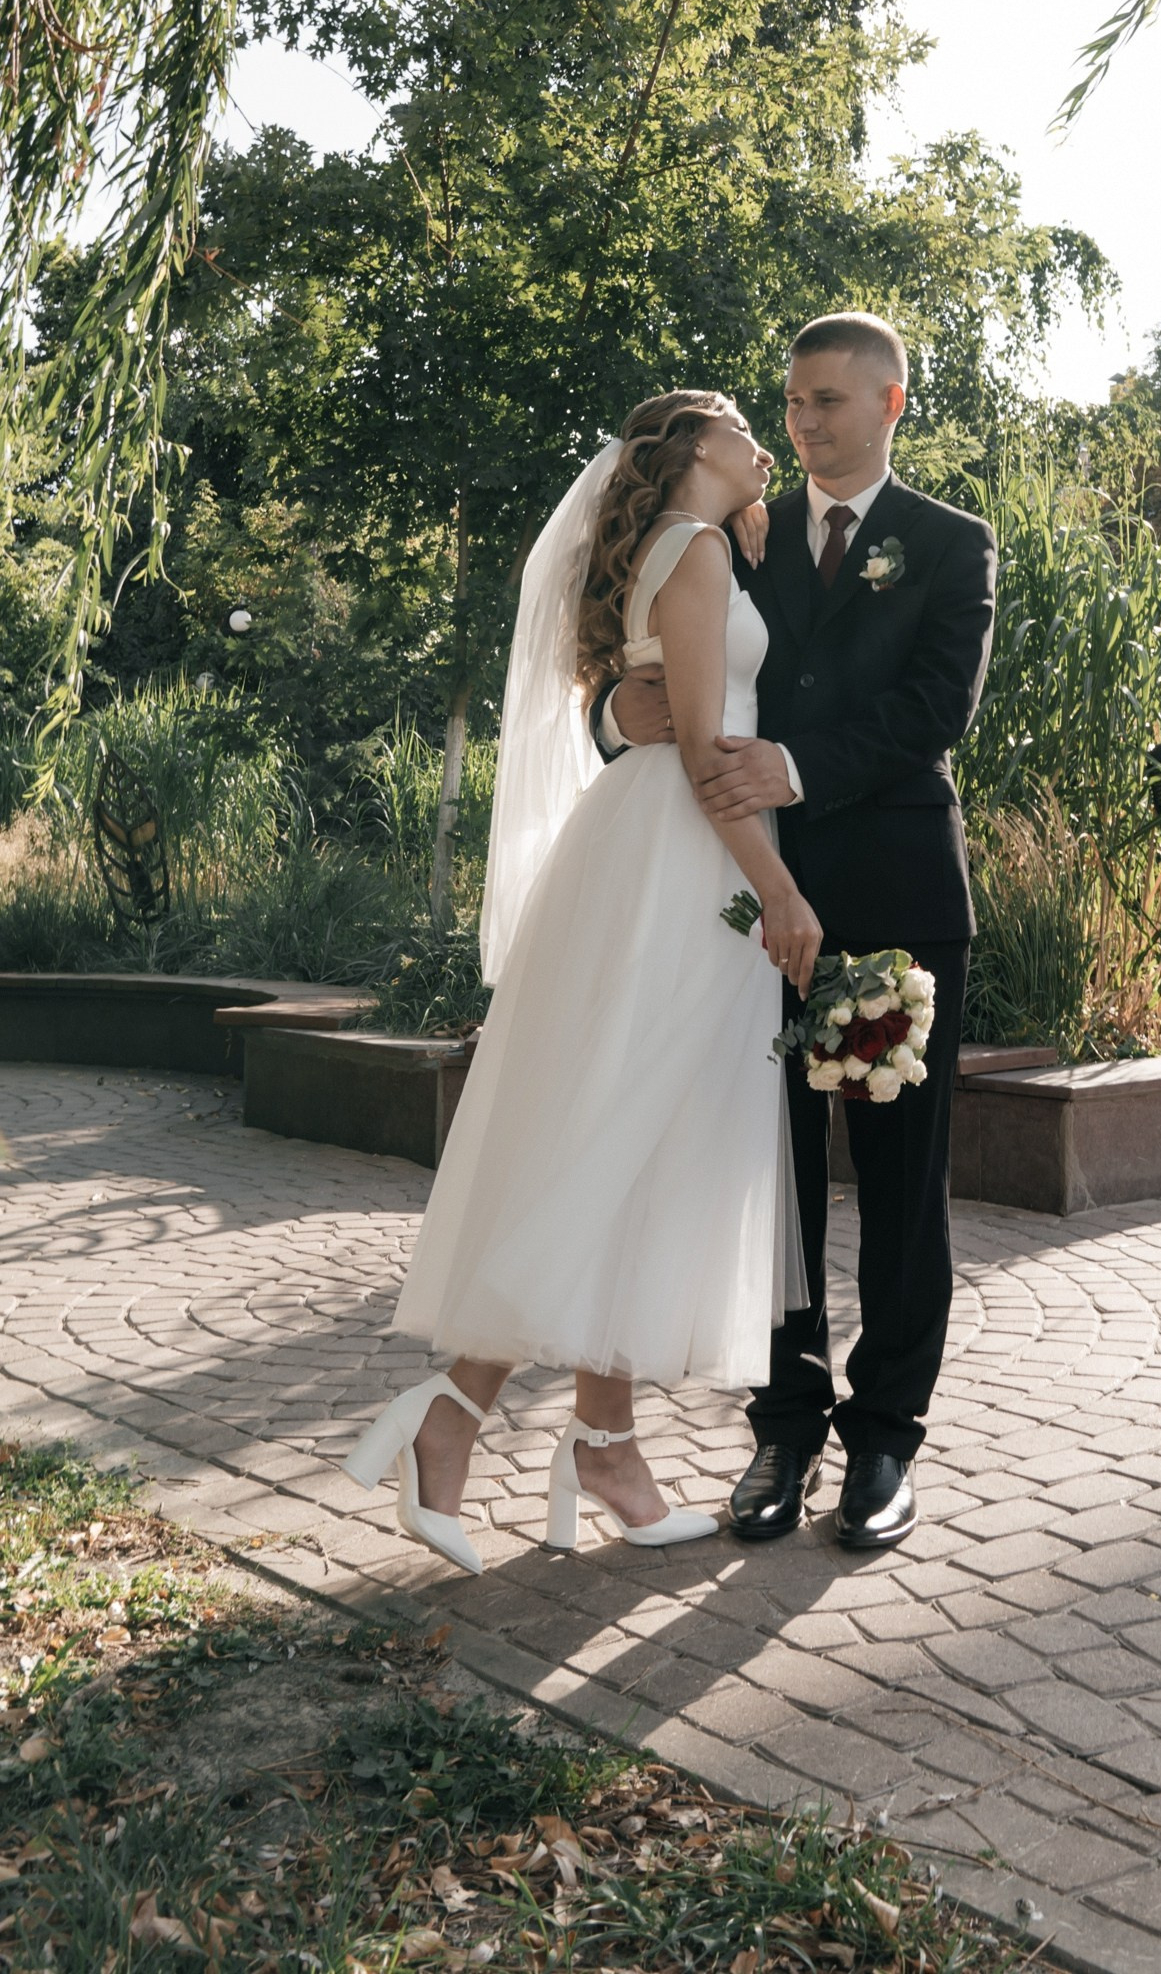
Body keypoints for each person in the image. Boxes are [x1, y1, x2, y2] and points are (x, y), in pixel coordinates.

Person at [345, 390, 822, 1569]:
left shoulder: (687, 547)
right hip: (687, 866)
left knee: (644, 1144)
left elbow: (659, 706)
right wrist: (779, 891)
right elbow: (712, 754)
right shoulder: (699, 550)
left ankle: (600, 1441)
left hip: (645, 852)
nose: (762, 437)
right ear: (693, 453)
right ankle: (455, 1415)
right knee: (626, 1143)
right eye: (739, 426)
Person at [601, 313, 996, 1550]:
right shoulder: (726, 541)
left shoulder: (950, 544)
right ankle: (782, 1431)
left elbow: (939, 711)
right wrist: (619, 708)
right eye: (789, 402)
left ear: (887, 405)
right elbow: (653, 689)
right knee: (766, 1187)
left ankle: (884, 1444)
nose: (803, 422)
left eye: (828, 400)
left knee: (896, 1190)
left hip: (891, 908)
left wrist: (794, 764)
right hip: (743, 912)